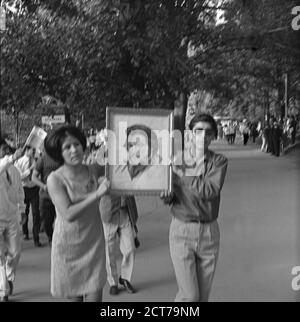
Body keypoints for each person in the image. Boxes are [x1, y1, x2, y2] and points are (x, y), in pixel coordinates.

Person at [161, 114, 228, 302]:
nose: (203, 136)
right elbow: (170, 196)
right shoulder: (175, 160)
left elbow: (210, 190)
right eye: (198, 131)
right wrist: (166, 196)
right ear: (190, 134)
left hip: (209, 232)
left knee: (202, 297)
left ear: (214, 135)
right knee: (190, 296)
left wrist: (182, 174)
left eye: (208, 132)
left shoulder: (219, 162)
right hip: (182, 229)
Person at [45, 125, 110, 302]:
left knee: (95, 296)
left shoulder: (94, 170)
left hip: (93, 243)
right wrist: (96, 194)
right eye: (67, 147)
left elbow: (122, 168)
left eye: (77, 144)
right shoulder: (55, 179)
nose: (74, 150)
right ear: (59, 152)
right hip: (68, 248)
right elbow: (68, 213)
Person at [0, 139, 25, 302]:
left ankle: (9, 278)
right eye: (2, 152)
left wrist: (22, 210)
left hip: (12, 216)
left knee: (15, 252)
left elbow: (20, 192)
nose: (4, 154)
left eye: (6, 152)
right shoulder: (2, 166)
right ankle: (4, 291)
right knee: (0, 256)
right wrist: (12, 158)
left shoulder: (15, 171)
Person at [100, 195, 138, 296]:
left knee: (130, 248)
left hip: (125, 211)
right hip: (109, 211)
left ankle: (125, 277)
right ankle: (113, 283)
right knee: (109, 250)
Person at [32, 147, 61, 246]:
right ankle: (51, 237)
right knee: (47, 222)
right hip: (46, 196)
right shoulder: (42, 159)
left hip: (61, 196)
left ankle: (58, 240)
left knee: (61, 221)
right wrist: (44, 186)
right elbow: (34, 177)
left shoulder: (63, 158)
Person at [14, 145, 41, 246]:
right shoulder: (19, 162)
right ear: (26, 150)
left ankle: (36, 237)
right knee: (24, 211)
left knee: (36, 213)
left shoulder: (37, 160)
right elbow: (19, 177)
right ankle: (25, 232)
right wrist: (30, 169)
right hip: (24, 189)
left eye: (34, 150)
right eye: (32, 150)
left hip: (34, 189)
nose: (34, 152)